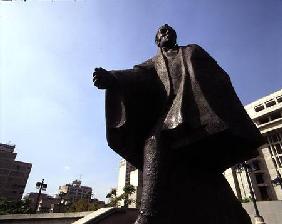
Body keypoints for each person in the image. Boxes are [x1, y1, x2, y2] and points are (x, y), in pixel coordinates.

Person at [93, 24, 264, 224]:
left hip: (197, 116)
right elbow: (136, 76)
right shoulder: (152, 64)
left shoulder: (192, 51)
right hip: (168, 116)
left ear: (175, 36)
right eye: (161, 32)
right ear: (157, 41)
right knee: (154, 142)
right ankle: (149, 215)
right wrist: (112, 77)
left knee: (166, 149)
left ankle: (148, 216)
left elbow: (218, 77)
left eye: (168, 30)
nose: (165, 32)